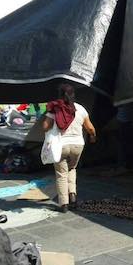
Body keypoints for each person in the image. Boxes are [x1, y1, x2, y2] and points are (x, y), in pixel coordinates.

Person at [43, 84, 97, 213]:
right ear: (73, 94)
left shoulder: (54, 109)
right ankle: (73, 194)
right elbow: (90, 128)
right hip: (78, 145)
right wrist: (93, 136)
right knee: (72, 168)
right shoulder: (80, 109)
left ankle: (63, 204)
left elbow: (45, 127)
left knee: (61, 174)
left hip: (60, 145)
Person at [116, 103, 133, 170]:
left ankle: (124, 163)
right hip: (124, 120)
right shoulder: (128, 98)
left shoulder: (124, 97)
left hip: (124, 120)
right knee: (125, 143)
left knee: (125, 143)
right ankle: (123, 163)